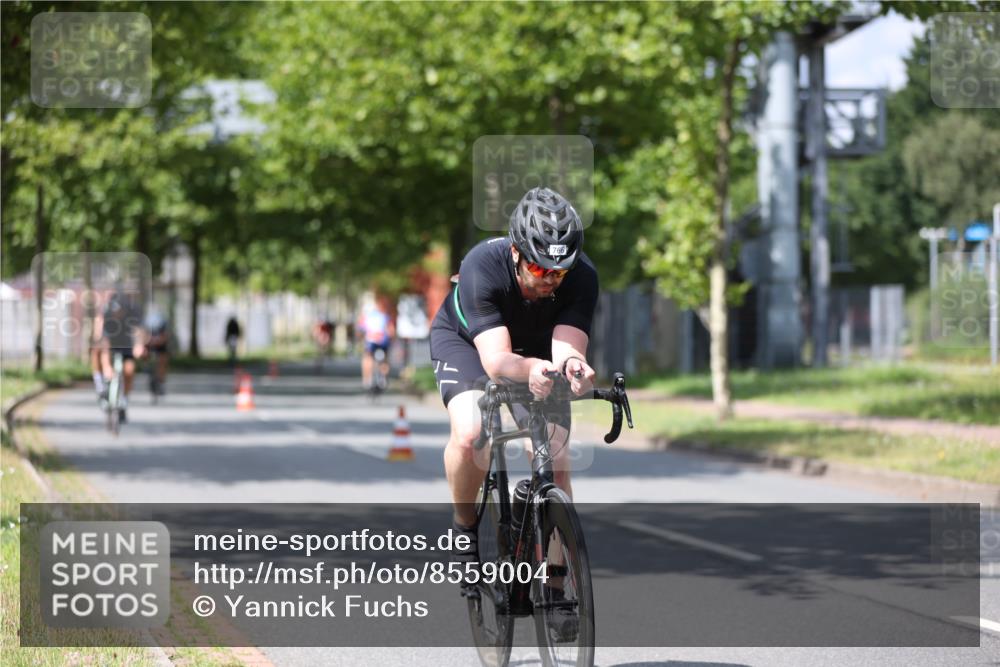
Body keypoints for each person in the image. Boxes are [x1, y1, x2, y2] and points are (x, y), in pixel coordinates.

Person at [428, 187, 598, 571]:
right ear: (516, 253)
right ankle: (465, 525)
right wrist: (532, 369)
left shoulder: (582, 276)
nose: (550, 280)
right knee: (472, 433)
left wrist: (573, 366)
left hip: (536, 348)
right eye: (539, 269)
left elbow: (568, 345)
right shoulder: (482, 265)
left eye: (559, 271)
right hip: (470, 345)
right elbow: (497, 362)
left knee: (555, 458)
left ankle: (556, 579)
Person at [92, 291, 144, 420]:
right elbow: (104, 342)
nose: (117, 314)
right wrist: (107, 366)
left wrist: (139, 345)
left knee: (129, 370)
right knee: (97, 351)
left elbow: (139, 331)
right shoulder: (106, 315)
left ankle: (124, 400)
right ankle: (100, 386)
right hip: (109, 344)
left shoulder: (132, 313)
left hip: (125, 343)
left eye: (119, 311)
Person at [357, 295, 394, 390]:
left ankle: (366, 380)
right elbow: (391, 331)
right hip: (383, 341)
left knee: (367, 357)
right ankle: (384, 378)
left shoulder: (367, 317)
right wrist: (391, 339)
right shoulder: (385, 316)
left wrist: (361, 338)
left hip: (371, 341)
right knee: (385, 359)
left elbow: (360, 330)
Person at [138, 307, 170, 396]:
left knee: (163, 359)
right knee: (143, 353)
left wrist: (158, 341)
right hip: (148, 343)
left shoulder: (163, 323)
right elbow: (141, 336)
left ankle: (161, 381)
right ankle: (146, 368)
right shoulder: (144, 323)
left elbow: (165, 337)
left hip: (160, 344)